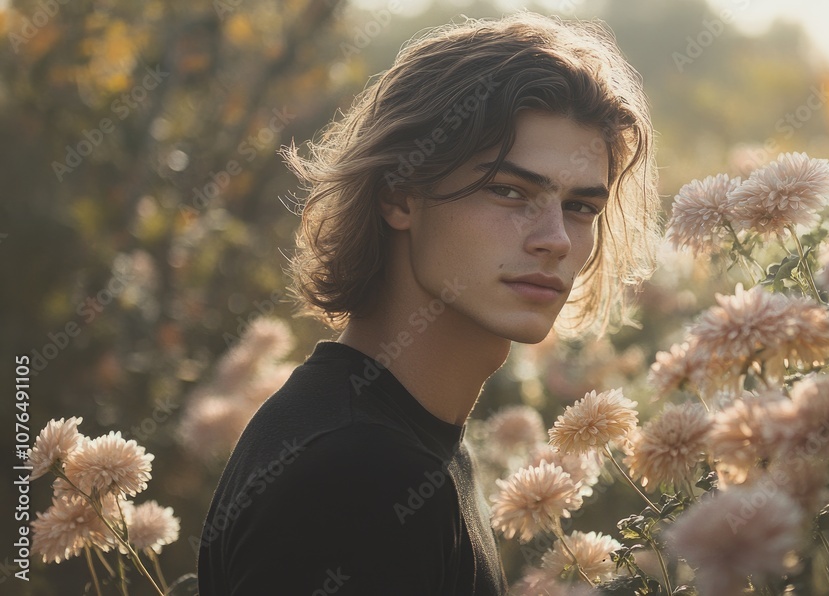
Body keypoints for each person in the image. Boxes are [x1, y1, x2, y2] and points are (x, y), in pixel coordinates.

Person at [197, 11, 660, 595]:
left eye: (581, 207)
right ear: (400, 195)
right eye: (510, 191)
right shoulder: (360, 476)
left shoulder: (400, 441)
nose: (556, 239)